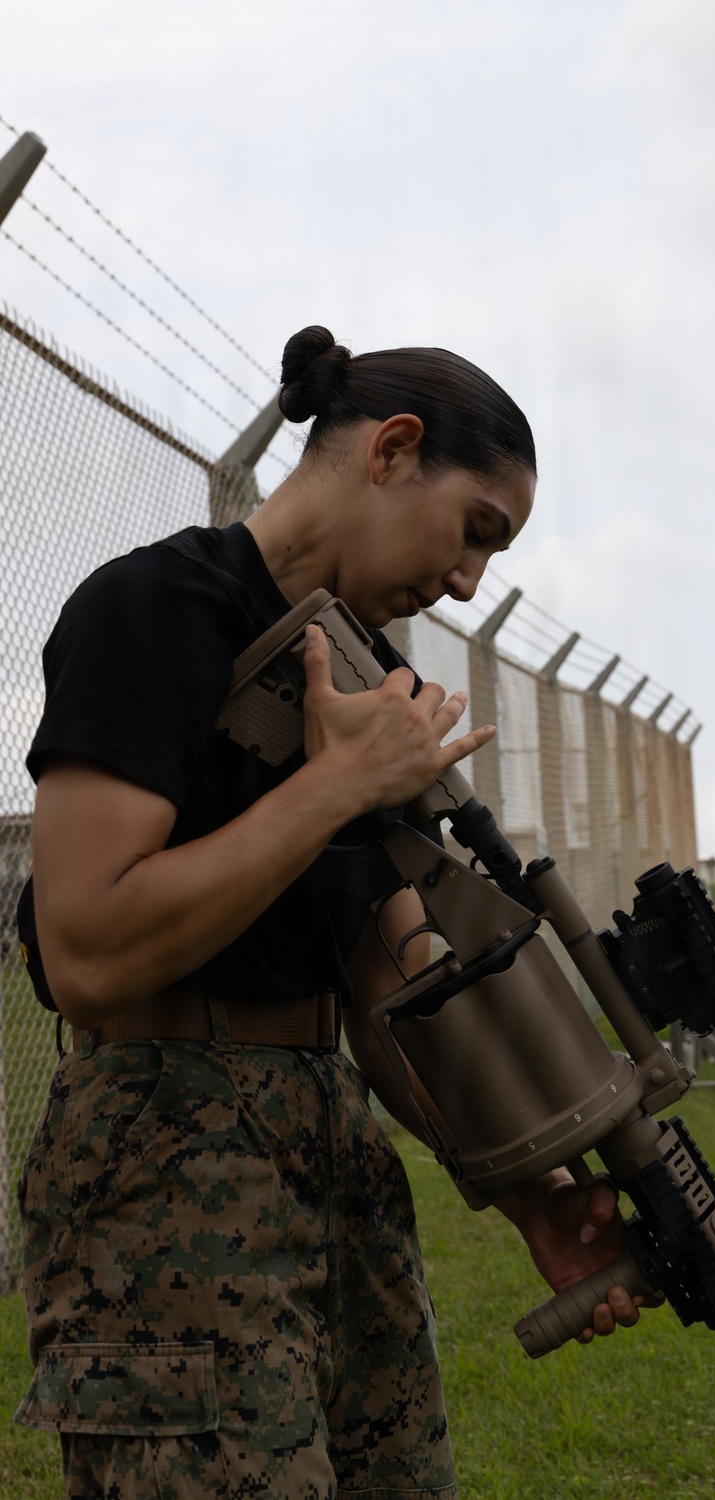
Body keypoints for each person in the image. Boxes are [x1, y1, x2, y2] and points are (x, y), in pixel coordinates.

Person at [16, 325, 646, 1500]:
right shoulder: (152, 608)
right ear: (393, 449)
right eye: (475, 533)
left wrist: (535, 1201)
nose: (468, 583)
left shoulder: (353, 671)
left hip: (327, 1139)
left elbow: (375, 993)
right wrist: (336, 786)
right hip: (162, 1158)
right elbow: (87, 949)